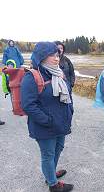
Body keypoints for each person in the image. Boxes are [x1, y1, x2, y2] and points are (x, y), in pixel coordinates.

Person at [20, 42, 74, 192]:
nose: (56, 59)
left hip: (61, 122)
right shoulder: (32, 77)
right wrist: (47, 120)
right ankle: (53, 184)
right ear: (41, 57)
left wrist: (71, 111)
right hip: (46, 126)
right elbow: (28, 105)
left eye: (57, 55)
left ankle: (51, 172)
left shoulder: (58, 72)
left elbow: (68, 93)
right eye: (52, 55)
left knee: (59, 148)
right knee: (48, 154)